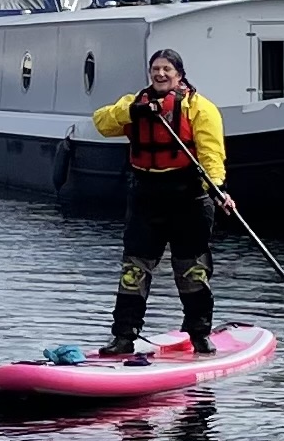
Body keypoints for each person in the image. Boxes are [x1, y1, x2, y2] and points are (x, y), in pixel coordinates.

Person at [92, 47, 236, 357]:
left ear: (179, 75)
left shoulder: (200, 108)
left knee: (192, 269)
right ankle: (123, 337)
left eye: (167, 69)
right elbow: (101, 123)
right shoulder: (134, 103)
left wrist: (218, 188)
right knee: (134, 270)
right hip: (147, 195)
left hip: (188, 198)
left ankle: (199, 334)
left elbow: (211, 153)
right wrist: (133, 113)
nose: (160, 74)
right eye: (155, 69)